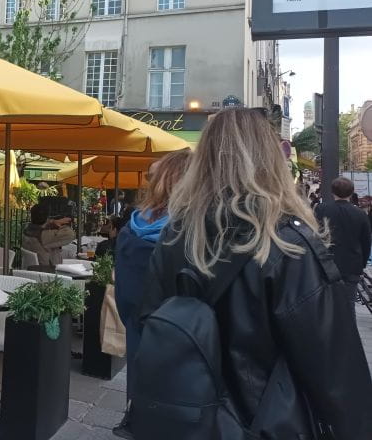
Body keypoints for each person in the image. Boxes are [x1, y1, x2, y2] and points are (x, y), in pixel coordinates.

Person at [137, 108, 372, 439]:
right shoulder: (289, 243)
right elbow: (336, 373)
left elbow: (149, 318)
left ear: (204, 160)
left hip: (188, 419)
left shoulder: (174, 234)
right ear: (270, 159)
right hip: (263, 423)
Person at [111, 149, 192, 439]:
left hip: (138, 330)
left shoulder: (131, 228)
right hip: (181, 345)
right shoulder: (190, 232)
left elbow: (123, 295)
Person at [314, 177, 372, 307]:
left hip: (326, 264)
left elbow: (314, 236)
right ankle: (348, 327)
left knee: (326, 304)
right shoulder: (360, 214)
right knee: (348, 304)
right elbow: (366, 242)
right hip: (352, 265)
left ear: (332, 192)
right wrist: (361, 264)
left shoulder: (321, 209)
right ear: (352, 193)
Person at [22, 197, 76, 267]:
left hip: (33, 270)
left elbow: (40, 225)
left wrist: (51, 222)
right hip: (48, 272)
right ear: (47, 217)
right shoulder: (44, 236)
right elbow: (71, 234)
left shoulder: (27, 230)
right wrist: (60, 223)